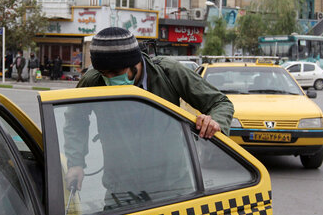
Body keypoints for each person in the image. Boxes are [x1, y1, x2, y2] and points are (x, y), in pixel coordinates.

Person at [64, 26, 234, 192]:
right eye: (104, 73)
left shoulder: (169, 72)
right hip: (120, 189)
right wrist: (75, 163)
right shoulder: (93, 80)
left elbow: (220, 103)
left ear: (134, 63)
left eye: (115, 72)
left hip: (173, 186)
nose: (109, 79)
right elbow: (75, 119)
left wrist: (214, 121)